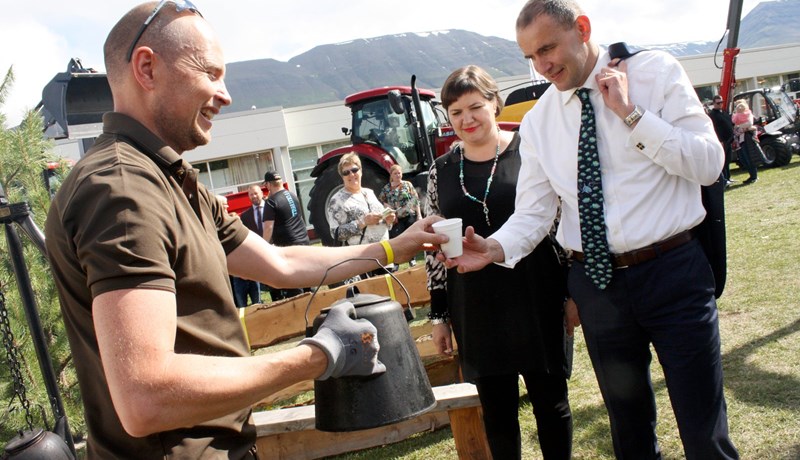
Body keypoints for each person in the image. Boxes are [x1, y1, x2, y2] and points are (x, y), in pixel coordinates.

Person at [43, 3, 446, 458]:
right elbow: (146, 396)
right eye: (210, 73)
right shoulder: (122, 188)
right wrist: (321, 354)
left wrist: (396, 247)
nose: (226, 94)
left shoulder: (169, 177)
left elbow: (279, 262)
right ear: (147, 67)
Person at [441, 1, 740, 459]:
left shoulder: (654, 73)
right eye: (530, 57)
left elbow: (708, 163)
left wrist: (630, 114)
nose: (542, 66)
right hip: (600, 289)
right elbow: (535, 212)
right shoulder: (539, 120)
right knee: (630, 434)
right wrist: (495, 247)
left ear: (582, 29)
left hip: (673, 273)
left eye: (548, 48)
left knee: (703, 432)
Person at [425, 65, 572, 459]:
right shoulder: (440, 171)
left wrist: (572, 292)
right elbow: (433, 248)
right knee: (497, 410)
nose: (466, 119)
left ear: (495, 103)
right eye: (455, 112)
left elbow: (557, 224)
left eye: (475, 107)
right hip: (473, 303)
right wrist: (439, 316)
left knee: (551, 402)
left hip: (535, 291)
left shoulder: (530, 151)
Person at [328, 152, 397, 276]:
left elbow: (381, 222)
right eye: (346, 172)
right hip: (362, 263)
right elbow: (335, 233)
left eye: (354, 170)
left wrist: (388, 220)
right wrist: (362, 222)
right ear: (342, 176)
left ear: (361, 171)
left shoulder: (369, 193)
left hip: (384, 257)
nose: (351, 174)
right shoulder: (337, 200)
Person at [262, 170, 310, 300]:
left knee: (294, 285)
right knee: (307, 279)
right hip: (304, 242)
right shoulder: (292, 195)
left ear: (268, 185)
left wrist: (262, 246)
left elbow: (268, 228)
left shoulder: (271, 202)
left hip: (288, 246)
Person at [232, 184, 265, 306]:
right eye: (251, 194)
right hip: (253, 258)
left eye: (256, 193)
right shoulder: (245, 216)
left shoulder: (271, 209)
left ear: (261, 193)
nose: (254, 196)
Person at [378, 164, 421, 239]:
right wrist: (387, 207)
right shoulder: (386, 188)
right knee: (400, 240)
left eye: (399, 173)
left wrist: (419, 215)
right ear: (391, 175)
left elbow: (415, 200)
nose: (397, 175)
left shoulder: (408, 185)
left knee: (414, 238)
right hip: (396, 220)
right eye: (395, 173)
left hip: (410, 217)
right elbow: (380, 201)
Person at [708, 94, 736, 185]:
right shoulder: (712, 115)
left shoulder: (723, 112)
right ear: (714, 103)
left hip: (729, 139)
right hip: (722, 141)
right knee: (722, 161)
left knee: (728, 160)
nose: (720, 104)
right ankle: (724, 180)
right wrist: (719, 141)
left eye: (721, 102)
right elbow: (715, 129)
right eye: (718, 103)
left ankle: (728, 177)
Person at [732, 100, 759, 185]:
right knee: (744, 158)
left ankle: (754, 176)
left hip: (747, 138)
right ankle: (752, 175)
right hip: (740, 138)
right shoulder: (736, 116)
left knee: (749, 157)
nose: (738, 107)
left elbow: (749, 124)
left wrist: (739, 127)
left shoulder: (748, 114)